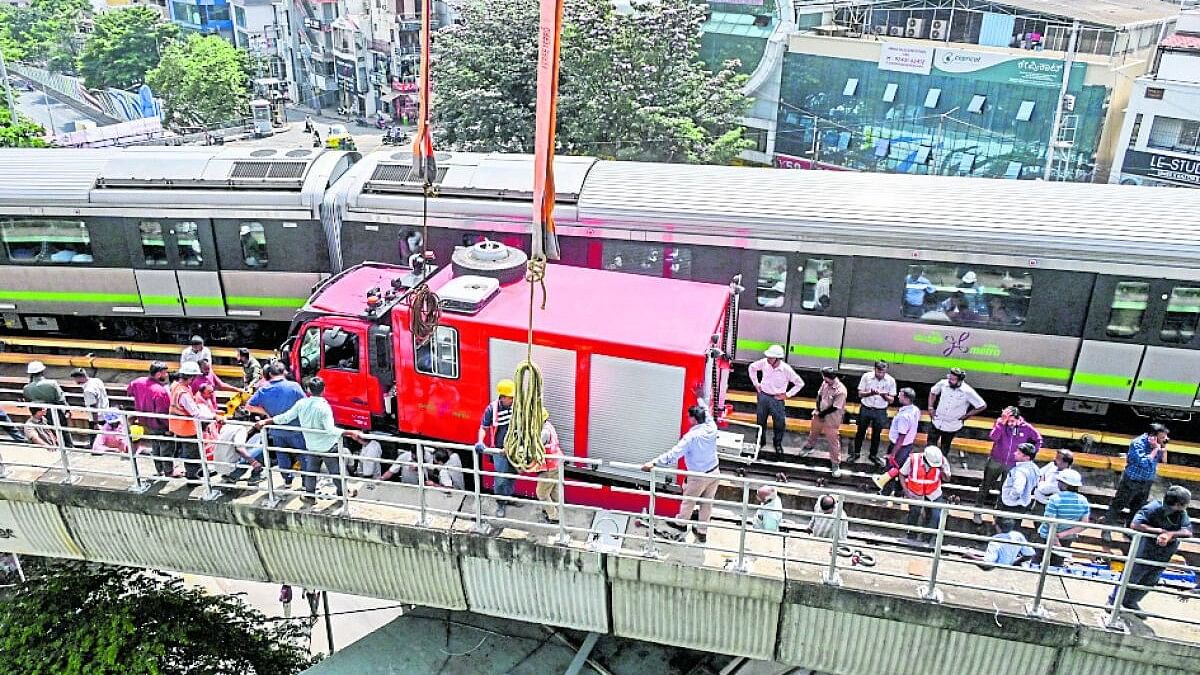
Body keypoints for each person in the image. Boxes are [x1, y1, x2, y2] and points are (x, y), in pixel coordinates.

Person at [254, 376, 358, 501]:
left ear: (308, 390)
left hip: (311, 445)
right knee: (336, 472)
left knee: (311, 471)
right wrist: (350, 432)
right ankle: (342, 494)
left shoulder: (301, 404)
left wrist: (266, 421)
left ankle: (310, 495)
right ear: (323, 390)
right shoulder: (324, 407)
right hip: (328, 447)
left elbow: (285, 418)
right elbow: (331, 430)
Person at [641, 400, 719, 544]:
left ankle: (681, 524)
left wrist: (653, 462)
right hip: (714, 472)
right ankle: (702, 532)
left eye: (689, 417)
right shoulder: (711, 426)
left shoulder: (691, 437)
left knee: (688, 501)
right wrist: (700, 399)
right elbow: (707, 412)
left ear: (694, 419)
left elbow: (673, 455)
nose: (688, 419)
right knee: (707, 503)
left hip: (698, 476)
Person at [1108, 486, 1192, 612]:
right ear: (1177, 504)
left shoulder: (1181, 514)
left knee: (1150, 580)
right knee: (1131, 576)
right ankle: (1113, 601)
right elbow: (1135, 524)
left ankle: (1131, 602)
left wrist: (1170, 535)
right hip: (1146, 549)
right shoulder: (1154, 507)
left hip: (1164, 553)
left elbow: (1187, 531)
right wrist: (1158, 531)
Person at [1102, 423, 1169, 541]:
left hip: (1147, 481)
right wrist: (1155, 449)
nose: (1165, 439)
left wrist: (1163, 449)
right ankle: (1106, 529)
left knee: (1138, 507)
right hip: (1132, 480)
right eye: (1162, 437)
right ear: (1153, 436)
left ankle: (1129, 530)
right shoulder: (1137, 443)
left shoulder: (1158, 445)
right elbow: (1143, 463)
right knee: (1118, 505)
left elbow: (1164, 461)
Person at [247, 362, 308, 488]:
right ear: (284, 372)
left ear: (269, 374)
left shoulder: (263, 389)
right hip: (295, 429)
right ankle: (306, 483)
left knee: (282, 456)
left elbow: (249, 406)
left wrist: (266, 413)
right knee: (303, 455)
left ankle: (287, 481)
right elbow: (305, 405)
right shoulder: (294, 386)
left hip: (276, 430)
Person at [976, 406, 1042, 521]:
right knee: (985, 485)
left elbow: (1038, 439)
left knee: (1005, 488)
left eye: (1012, 421)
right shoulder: (1000, 423)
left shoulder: (1026, 427)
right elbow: (993, 437)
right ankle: (977, 511)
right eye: (1008, 421)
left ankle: (998, 513)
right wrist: (1002, 423)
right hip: (996, 460)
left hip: (1012, 464)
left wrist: (1030, 454)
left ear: (1018, 419)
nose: (1010, 423)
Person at [747, 345, 804, 457]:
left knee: (779, 424)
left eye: (771, 357)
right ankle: (760, 442)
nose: (768, 359)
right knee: (760, 421)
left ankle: (777, 444)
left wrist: (787, 395)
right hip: (763, 396)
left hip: (776, 400)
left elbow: (799, 383)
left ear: (777, 359)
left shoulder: (786, 369)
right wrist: (756, 384)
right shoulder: (765, 363)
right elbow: (752, 367)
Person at [169, 361, 217, 481]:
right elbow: (196, 413)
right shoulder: (184, 393)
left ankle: (199, 471)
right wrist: (213, 417)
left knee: (191, 450)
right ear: (191, 377)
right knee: (192, 452)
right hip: (186, 427)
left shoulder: (176, 386)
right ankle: (193, 477)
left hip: (178, 425)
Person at [475, 379, 516, 518]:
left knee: (512, 474)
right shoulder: (492, 409)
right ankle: (500, 503)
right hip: (499, 450)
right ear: (502, 397)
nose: (512, 399)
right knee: (501, 477)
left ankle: (508, 497)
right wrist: (480, 441)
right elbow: (483, 427)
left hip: (514, 449)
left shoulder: (516, 407)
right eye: (510, 397)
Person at [128, 362, 174, 476]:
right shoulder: (159, 391)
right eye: (165, 373)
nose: (167, 375)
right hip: (159, 423)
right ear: (159, 374)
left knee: (155, 446)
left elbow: (129, 392)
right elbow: (162, 413)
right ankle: (168, 471)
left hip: (145, 420)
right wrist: (170, 427)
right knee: (165, 447)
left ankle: (159, 470)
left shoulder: (138, 382)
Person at [874, 387, 920, 497]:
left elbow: (901, 436)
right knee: (902, 469)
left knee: (892, 470)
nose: (898, 396)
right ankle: (899, 492)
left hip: (899, 446)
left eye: (900, 394)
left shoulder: (904, 416)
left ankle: (885, 492)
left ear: (906, 398)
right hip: (907, 446)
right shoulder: (915, 410)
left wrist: (893, 454)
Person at [927, 368, 986, 454]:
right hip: (937, 421)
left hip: (952, 426)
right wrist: (930, 407)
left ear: (960, 381)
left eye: (953, 380)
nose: (950, 381)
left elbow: (981, 405)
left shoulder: (967, 391)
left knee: (944, 449)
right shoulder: (943, 383)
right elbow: (933, 392)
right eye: (949, 378)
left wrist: (967, 416)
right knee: (929, 447)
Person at [1037, 469, 1089, 566]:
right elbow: (1084, 524)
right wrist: (1063, 534)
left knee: (1036, 565)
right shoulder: (1083, 500)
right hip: (1066, 538)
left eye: (1059, 482)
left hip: (1046, 538)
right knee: (1056, 567)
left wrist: (1056, 541)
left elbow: (1050, 522)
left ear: (1065, 484)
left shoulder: (1055, 499)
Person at [901, 446, 951, 544]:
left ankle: (927, 538)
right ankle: (911, 535)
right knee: (914, 512)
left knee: (936, 515)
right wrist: (907, 492)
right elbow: (902, 474)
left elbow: (947, 479)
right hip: (915, 492)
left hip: (933, 492)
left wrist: (943, 471)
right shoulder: (913, 459)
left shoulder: (942, 460)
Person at [802, 368, 848, 477]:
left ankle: (835, 463)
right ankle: (809, 447)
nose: (823, 379)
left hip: (831, 419)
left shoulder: (841, 390)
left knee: (833, 441)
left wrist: (822, 414)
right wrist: (818, 410)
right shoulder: (825, 383)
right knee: (813, 432)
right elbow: (819, 396)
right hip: (819, 414)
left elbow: (835, 407)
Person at [851, 360, 895, 468]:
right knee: (860, 432)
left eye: (883, 372)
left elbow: (891, 400)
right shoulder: (866, 377)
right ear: (875, 369)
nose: (880, 374)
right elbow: (860, 394)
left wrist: (884, 396)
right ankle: (856, 453)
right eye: (878, 372)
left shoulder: (891, 381)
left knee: (877, 434)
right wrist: (870, 393)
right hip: (866, 408)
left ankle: (873, 455)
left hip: (880, 411)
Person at [23, 361, 73, 448]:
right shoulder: (52, 383)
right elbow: (61, 399)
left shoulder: (27, 388)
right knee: (63, 431)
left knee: (48, 432)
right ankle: (69, 448)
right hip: (55, 410)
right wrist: (67, 409)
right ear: (42, 371)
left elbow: (28, 400)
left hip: (38, 412)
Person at [532, 410, 563, 524]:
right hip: (556, 463)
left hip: (549, 467)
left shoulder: (544, 433)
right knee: (554, 492)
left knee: (542, 493)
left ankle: (554, 517)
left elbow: (534, 448)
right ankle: (558, 511)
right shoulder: (548, 426)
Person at [999, 442, 1041, 513]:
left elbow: (1018, 490)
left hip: (1012, 505)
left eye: (1018, 453)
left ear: (1027, 457)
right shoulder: (1035, 468)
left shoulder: (1020, 471)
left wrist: (1011, 497)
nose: (1015, 453)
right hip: (1024, 503)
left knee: (1005, 523)